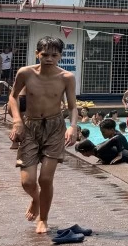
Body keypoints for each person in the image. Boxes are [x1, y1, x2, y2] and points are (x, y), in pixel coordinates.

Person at [7, 37, 77, 235]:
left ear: (60, 56)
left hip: (55, 127)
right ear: (37, 54)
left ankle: (43, 219)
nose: (49, 59)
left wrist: (73, 126)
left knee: (45, 179)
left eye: (54, 55)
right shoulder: (26, 73)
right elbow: (13, 96)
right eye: (45, 54)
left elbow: (72, 106)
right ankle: (36, 200)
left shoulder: (66, 77)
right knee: (28, 181)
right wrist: (17, 121)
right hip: (30, 126)